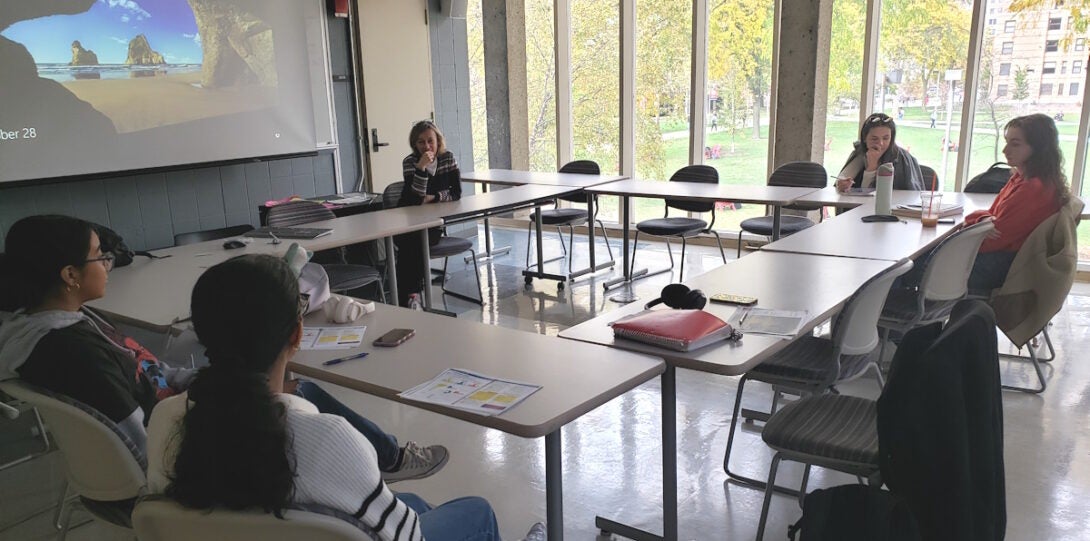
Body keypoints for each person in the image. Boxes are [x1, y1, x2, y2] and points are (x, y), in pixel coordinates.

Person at [0, 215, 446, 483]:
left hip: (184, 404)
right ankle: (390, 459)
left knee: (290, 384)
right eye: (99, 256)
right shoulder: (74, 353)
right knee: (298, 393)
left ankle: (389, 457)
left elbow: (149, 374)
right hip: (193, 436)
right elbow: (140, 446)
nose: (109, 263)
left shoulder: (54, 327)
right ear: (69, 275)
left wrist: (200, 378)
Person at [147, 254, 544, 541]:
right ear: (297, 336)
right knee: (475, 511)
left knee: (410, 500)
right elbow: (408, 537)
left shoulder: (165, 421)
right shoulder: (327, 438)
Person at [963, 113, 1068, 290]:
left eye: (1015, 144)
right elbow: (992, 215)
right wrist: (980, 220)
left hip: (1002, 264)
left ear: (1038, 148)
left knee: (915, 265)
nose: (1005, 150)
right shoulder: (1021, 178)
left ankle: (915, 315)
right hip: (1004, 258)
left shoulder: (1033, 188)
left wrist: (971, 225)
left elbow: (994, 238)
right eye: (1007, 142)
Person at [393, 120, 462, 307]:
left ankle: (410, 297)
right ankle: (412, 296)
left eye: (430, 141)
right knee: (411, 242)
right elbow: (416, 197)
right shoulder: (410, 162)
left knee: (414, 244)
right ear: (415, 144)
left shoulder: (448, 158)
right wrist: (421, 168)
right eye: (421, 142)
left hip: (434, 221)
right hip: (408, 219)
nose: (427, 146)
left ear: (438, 140)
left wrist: (434, 197)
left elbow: (456, 192)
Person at [835, 112, 925, 192]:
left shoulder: (902, 159)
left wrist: (872, 167)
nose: (880, 143)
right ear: (864, 138)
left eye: (886, 138)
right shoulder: (859, 154)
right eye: (874, 138)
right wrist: (842, 184)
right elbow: (845, 181)